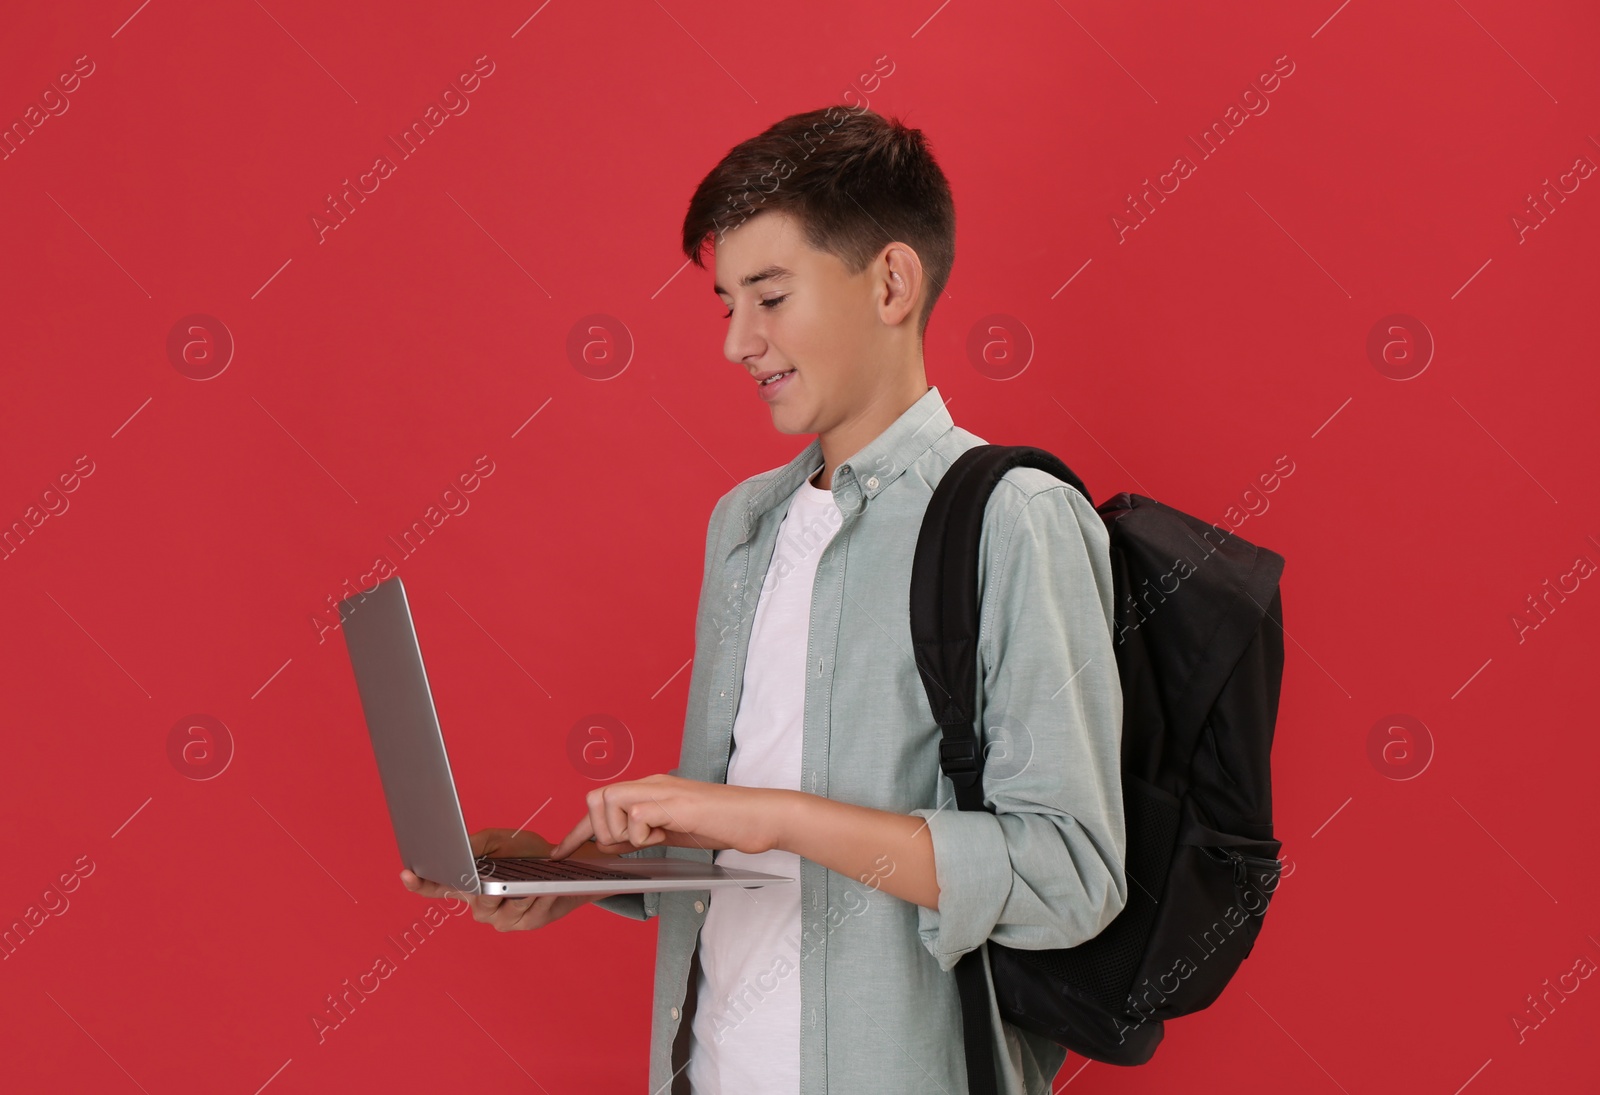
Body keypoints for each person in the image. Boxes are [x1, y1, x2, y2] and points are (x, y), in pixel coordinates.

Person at [401, 105, 1126, 1095]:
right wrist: (570, 877)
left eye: (771, 297)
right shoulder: (745, 526)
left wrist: (767, 814)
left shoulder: (1016, 519)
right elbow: (744, 864)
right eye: (725, 304)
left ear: (890, 283)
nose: (738, 342)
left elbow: (1067, 876)